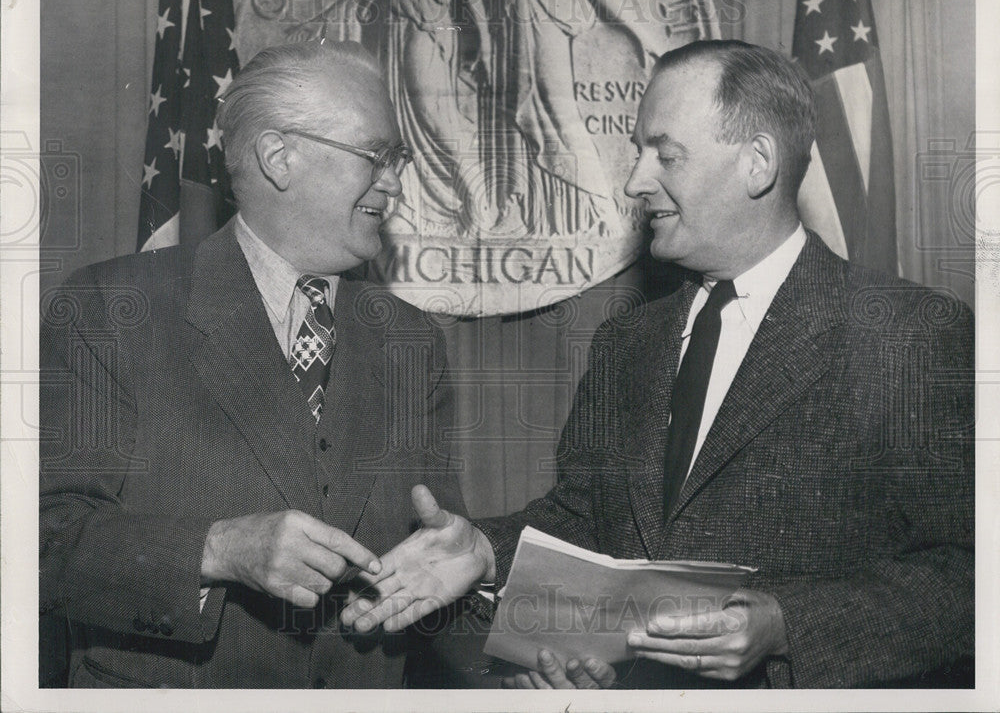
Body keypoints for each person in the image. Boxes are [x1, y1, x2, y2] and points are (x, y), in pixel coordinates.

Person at [339, 40, 975, 689]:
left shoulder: (911, 336)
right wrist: (486, 552)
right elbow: (582, 520)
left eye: (664, 154)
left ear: (757, 164)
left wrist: (785, 625)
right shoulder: (627, 342)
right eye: (639, 151)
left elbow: (970, 580)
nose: (636, 181)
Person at [38, 39, 468, 688]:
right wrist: (217, 551)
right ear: (279, 157)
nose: (395, 182)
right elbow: (42, 549)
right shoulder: (112, 308)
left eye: (398, 159)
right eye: (378, 156)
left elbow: (436, 574)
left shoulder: (411, 341)